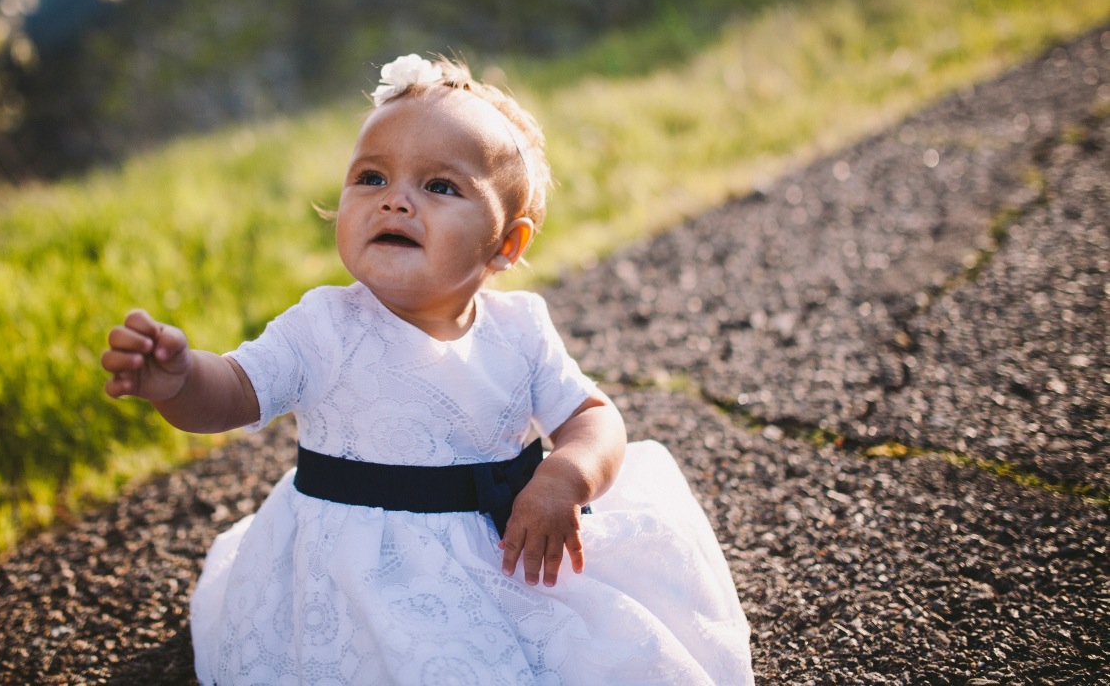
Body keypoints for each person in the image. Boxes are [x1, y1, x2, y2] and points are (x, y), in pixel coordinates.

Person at [102, 54, 754, 684]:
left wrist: (565, 478)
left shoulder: (519, 329)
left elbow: (593, 416)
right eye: (372, 178)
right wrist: (181, 380)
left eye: (439, 186)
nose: (396, 202)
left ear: (507, 243)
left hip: (503, 556)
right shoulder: (323, 326)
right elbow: (234, 396)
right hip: (354, 576)